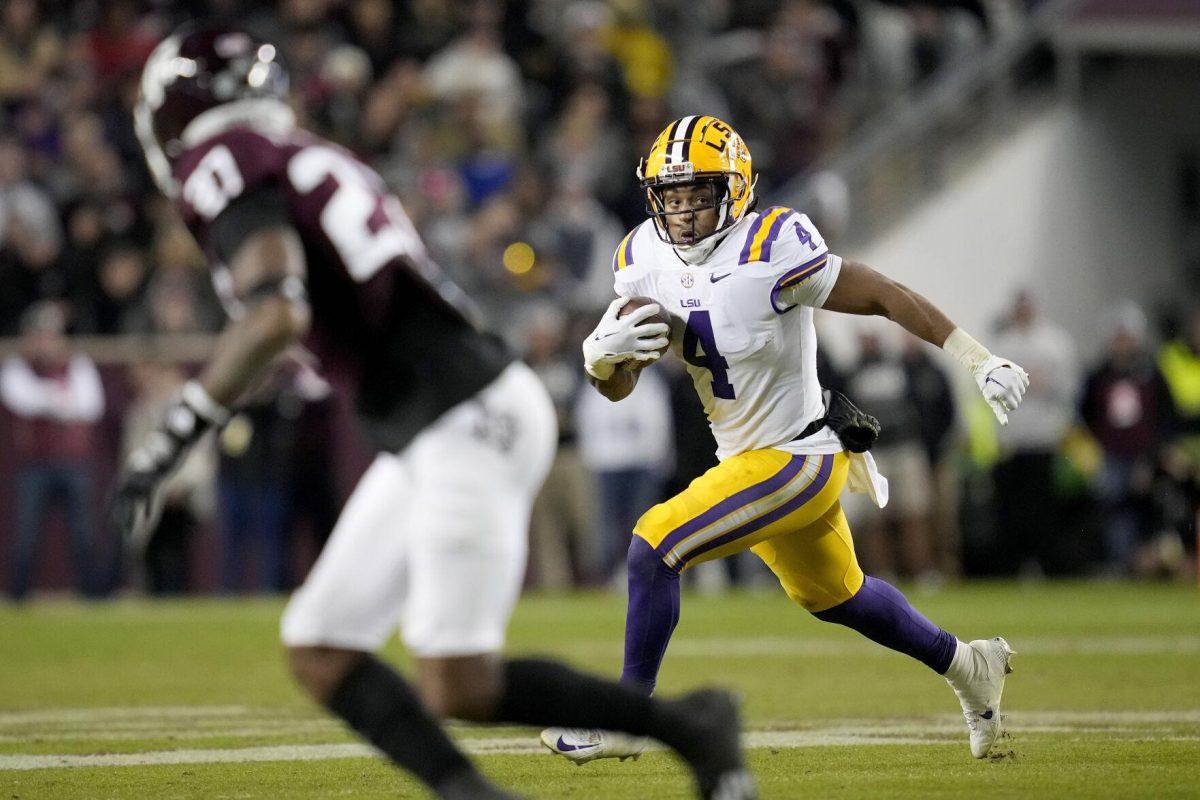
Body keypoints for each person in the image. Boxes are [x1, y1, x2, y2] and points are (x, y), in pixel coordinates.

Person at [113, 26, 755, 800]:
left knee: (458, 681)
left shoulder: (222, 160)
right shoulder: (309, 155)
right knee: (321, 645)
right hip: (441, 417)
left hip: (460, 415)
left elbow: (273, 315)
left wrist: (172, 436)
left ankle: (693, 728)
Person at [542, 115, 1029, 764]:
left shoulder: (773, 242)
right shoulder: (638, 258)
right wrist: (602, 364)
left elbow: (881, 295)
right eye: (672, 195)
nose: (683, 210)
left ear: (737, 189)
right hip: (743, 459)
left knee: (653, 544)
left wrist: (976, 357)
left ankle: (631, 719)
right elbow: (619, 386)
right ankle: (969, 666)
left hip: (800, 454)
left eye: (699, 193)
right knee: (838, 596)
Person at [2, 302, 105, 600]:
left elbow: (90, 406)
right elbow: (24, 399)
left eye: (50, 335)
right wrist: (60, 398)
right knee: (26, 536)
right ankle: (17, 598)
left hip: (74, 463)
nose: (45, 343)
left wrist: (51, 400)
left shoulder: (78, 364)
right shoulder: (17, 368)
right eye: (39, 335)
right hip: (34, 465)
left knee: (84, 535)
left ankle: (92, 597)